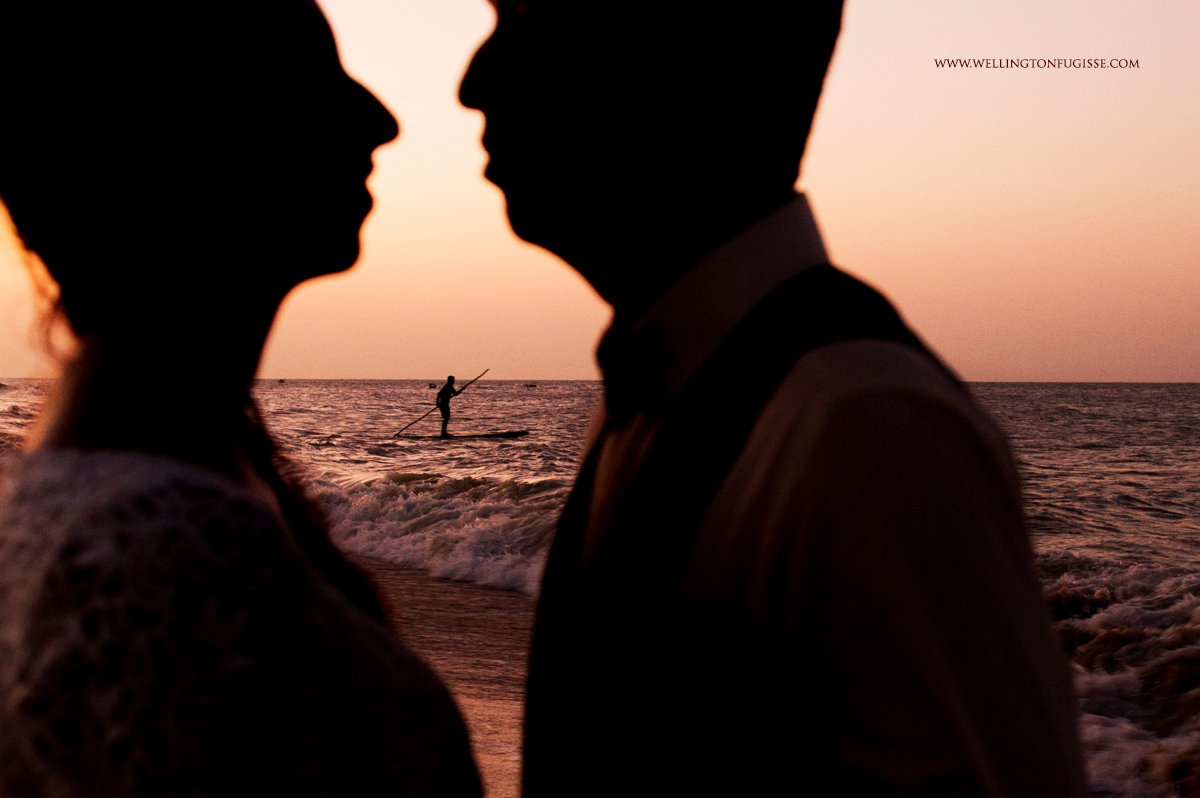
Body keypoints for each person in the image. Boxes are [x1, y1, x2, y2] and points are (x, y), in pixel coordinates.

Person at [460, 1, 1088, 796]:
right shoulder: (674, 378)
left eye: (526, 25)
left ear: (676, 67)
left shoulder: (862, 428)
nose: (473, 83)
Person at [0, 2, 481, 795]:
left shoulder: (131, 484)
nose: (381, 119)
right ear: (168, 158)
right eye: (309, 85)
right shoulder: (170, 563)